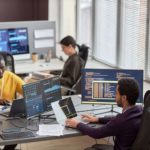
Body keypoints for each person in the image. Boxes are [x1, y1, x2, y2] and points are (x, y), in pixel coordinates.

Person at [66, 78, 143, 150]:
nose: (114, 96)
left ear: (124, 98)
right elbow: (117, 119)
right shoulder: (140, 110)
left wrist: (77, 124)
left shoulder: (121, 121)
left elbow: (96, 133)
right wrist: (97, 119)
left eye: (116, 93)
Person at [0, 55, 25, 150]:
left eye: (2, 67)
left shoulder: (10, 76)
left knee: (18, 133)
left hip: (6, 116)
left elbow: (28, 91)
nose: (0, 71)